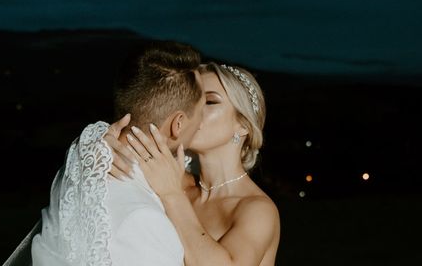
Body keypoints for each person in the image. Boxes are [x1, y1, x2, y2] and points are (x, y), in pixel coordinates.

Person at [25, 41, 206, 266]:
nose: (201, 124)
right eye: (201, 112)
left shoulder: (82, 163)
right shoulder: (144, 219)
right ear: (177, 124)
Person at [111, 62, 280, 265]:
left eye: (209, 102)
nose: (193, 111)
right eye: (193, 101)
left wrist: (172, 196)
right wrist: (104, 147)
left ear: (243, 125)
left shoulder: (258, 210)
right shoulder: (173, 177)